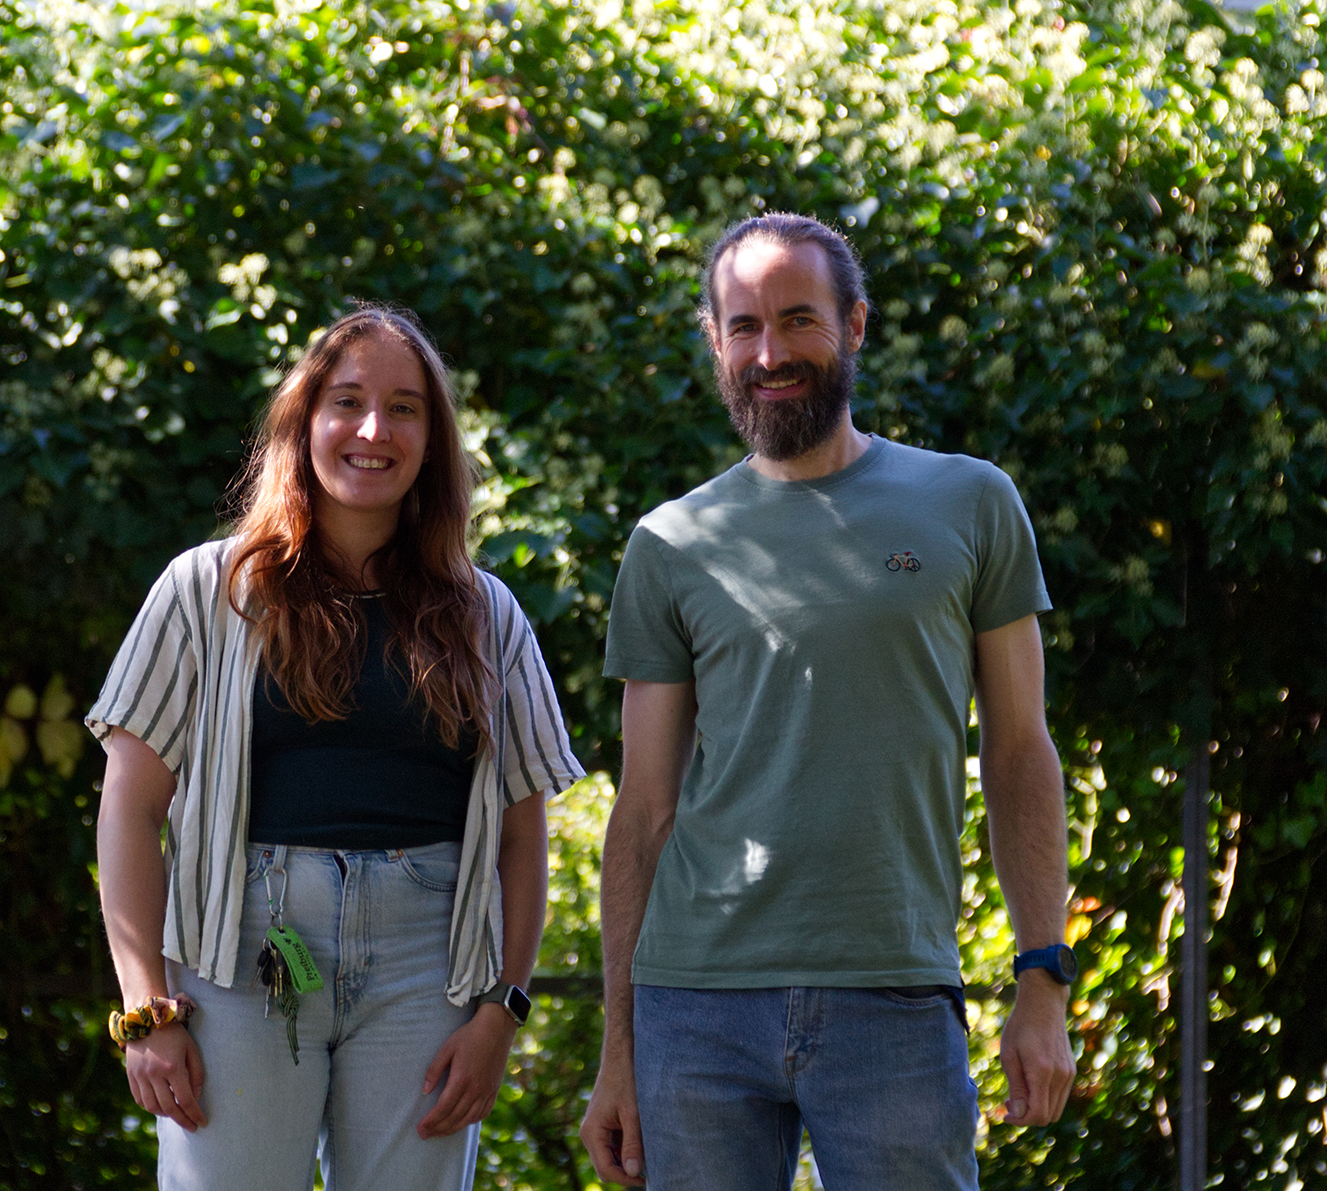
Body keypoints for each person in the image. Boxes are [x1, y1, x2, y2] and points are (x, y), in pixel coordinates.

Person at [579, 213, 1077, 1190]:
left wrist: (1042, 978)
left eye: (798, 320)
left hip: (893, 999)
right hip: (694, 1010)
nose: (771, 353)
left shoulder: (971, 503)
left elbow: (1022, 753)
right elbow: (643, 811)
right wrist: (619, 1050)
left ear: (853, 325)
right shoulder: (670, 543)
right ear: (715, 341)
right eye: (744, 326)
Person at [88, 306, 583, 1190]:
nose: (373, 430)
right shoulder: (206, 591)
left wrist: (499, 1011)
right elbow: (129, 806)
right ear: (304, 421)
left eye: (404, 408)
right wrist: (144, 1008)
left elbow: (521, 833)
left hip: (428, 971)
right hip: (236, 960)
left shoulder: (488, 616)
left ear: (432, 441)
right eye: (347, 401)